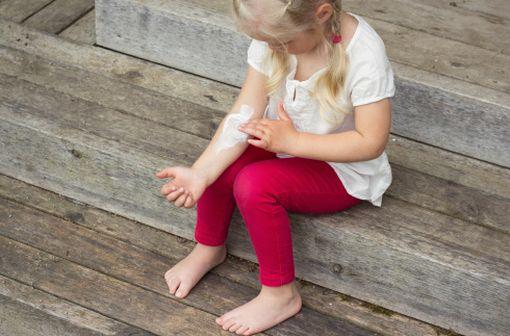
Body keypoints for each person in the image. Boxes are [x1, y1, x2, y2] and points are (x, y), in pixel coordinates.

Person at [155, 0, 395, 334]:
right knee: (229, 153)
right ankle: (209, 247)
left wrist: (293, 142)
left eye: (281, 43)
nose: (272, 48)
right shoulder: (273, 35)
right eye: (265, 41)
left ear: (321, 15)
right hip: (283, 142)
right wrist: (201, 172)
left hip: (342, 168)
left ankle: (280, 293)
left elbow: (370, 141)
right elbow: (245, 111)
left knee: (254, 184)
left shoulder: (364, 53)